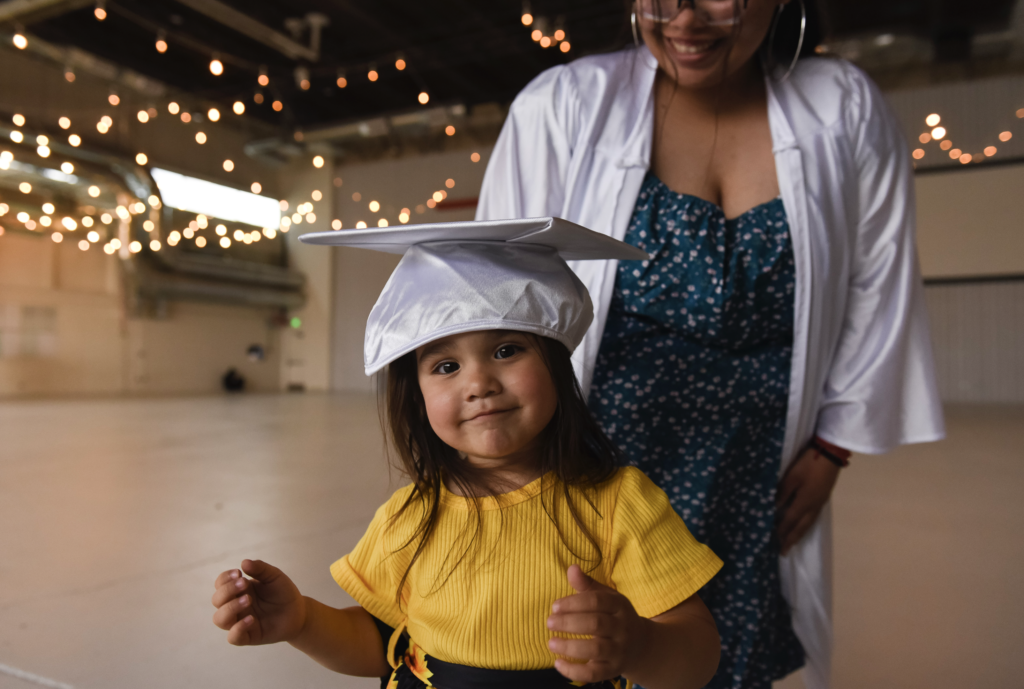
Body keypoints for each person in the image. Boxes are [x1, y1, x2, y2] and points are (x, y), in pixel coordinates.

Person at [475, 2, 945, 688]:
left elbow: (877, 279)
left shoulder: (842, 108)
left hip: (756, 483)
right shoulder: (565, 105)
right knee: (584, 655)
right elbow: (496, 299)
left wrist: (833, 445)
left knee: (726, 659)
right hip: (592, 478)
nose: (684, 21)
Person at [211, 218, 725, 689]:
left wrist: (643, 644)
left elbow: (698, 652)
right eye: (445, 366)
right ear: (415, 395)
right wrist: (300, 621)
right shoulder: (408, 517)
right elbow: (380, 646)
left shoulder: (620, 504)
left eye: (506, 350)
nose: (478, 383)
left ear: (555, 364)